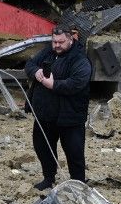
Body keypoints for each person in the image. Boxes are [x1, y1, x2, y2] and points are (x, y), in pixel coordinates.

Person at [24, 24, 92, 191]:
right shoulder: (48, 52)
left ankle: (78, 183)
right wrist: (36, 72)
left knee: (74, 151)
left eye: (61, 42)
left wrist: (53, 84)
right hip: (45, 112)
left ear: (70, 39)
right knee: (43, 147)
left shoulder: (80, 59)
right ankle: (48, 177)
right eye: (54, 42)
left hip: (70, 115)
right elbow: (30, 64)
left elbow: (76, 83)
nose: (57, 45)